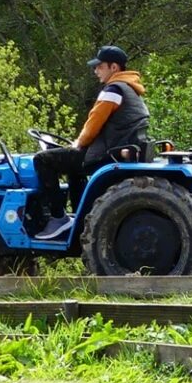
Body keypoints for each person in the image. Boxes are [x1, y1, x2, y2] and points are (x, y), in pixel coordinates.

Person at [31, 46, 150, 240]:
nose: (96, 71)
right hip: (115, 149)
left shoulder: (113, 90)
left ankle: (58, 218)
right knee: (73, 166)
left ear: (113, 67)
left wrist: (78, 143)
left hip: (105, 154)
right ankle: (81, 219)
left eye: (100, 66)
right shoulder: (130, 89)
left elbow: (93, 124)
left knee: (42, 160)